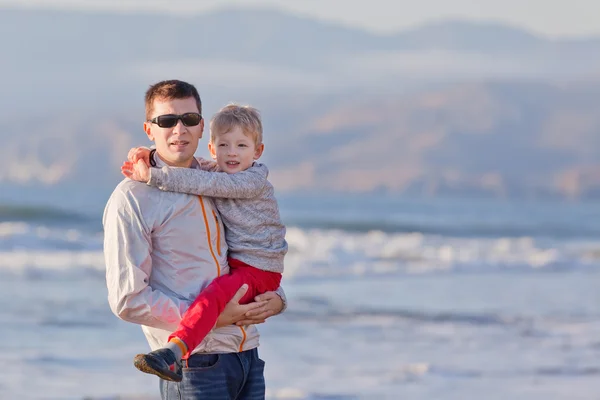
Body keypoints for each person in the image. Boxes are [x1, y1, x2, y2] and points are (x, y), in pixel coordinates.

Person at [103, 80, 286, 400]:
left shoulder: (222, 179)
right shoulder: (132, 198)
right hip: (192, 364)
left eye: (188, 119)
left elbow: (251, 246)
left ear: (202, 128)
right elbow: (127, 299)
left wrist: (278, 297)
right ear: (149, 129)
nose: (179, 129)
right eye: (167, 121)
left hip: (248, 356)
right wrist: (211, 317)